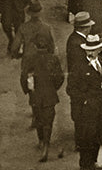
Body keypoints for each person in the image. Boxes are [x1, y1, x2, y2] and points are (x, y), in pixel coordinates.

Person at [21, 33, 65, 162]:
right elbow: (60, 77)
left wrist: (28, 90)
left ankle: (41, 140)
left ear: (35, 46)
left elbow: (23, 77)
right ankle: (46, 144)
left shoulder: (30, 59)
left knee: (38, 118)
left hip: (35, 95)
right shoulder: (53, 59)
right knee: (48, 121)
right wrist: (53, 88)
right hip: (49, 95)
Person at [71, 34, 102, 170]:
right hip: (87, 108)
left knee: (97, 135)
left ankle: (93, 161)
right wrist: (85, 101)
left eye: (94, 50)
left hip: (100, 104)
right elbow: (71, 88)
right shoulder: (79, 67)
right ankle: (85, 164)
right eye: (89, 50)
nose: (92, 52)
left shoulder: (100, 61)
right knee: (87, 137)